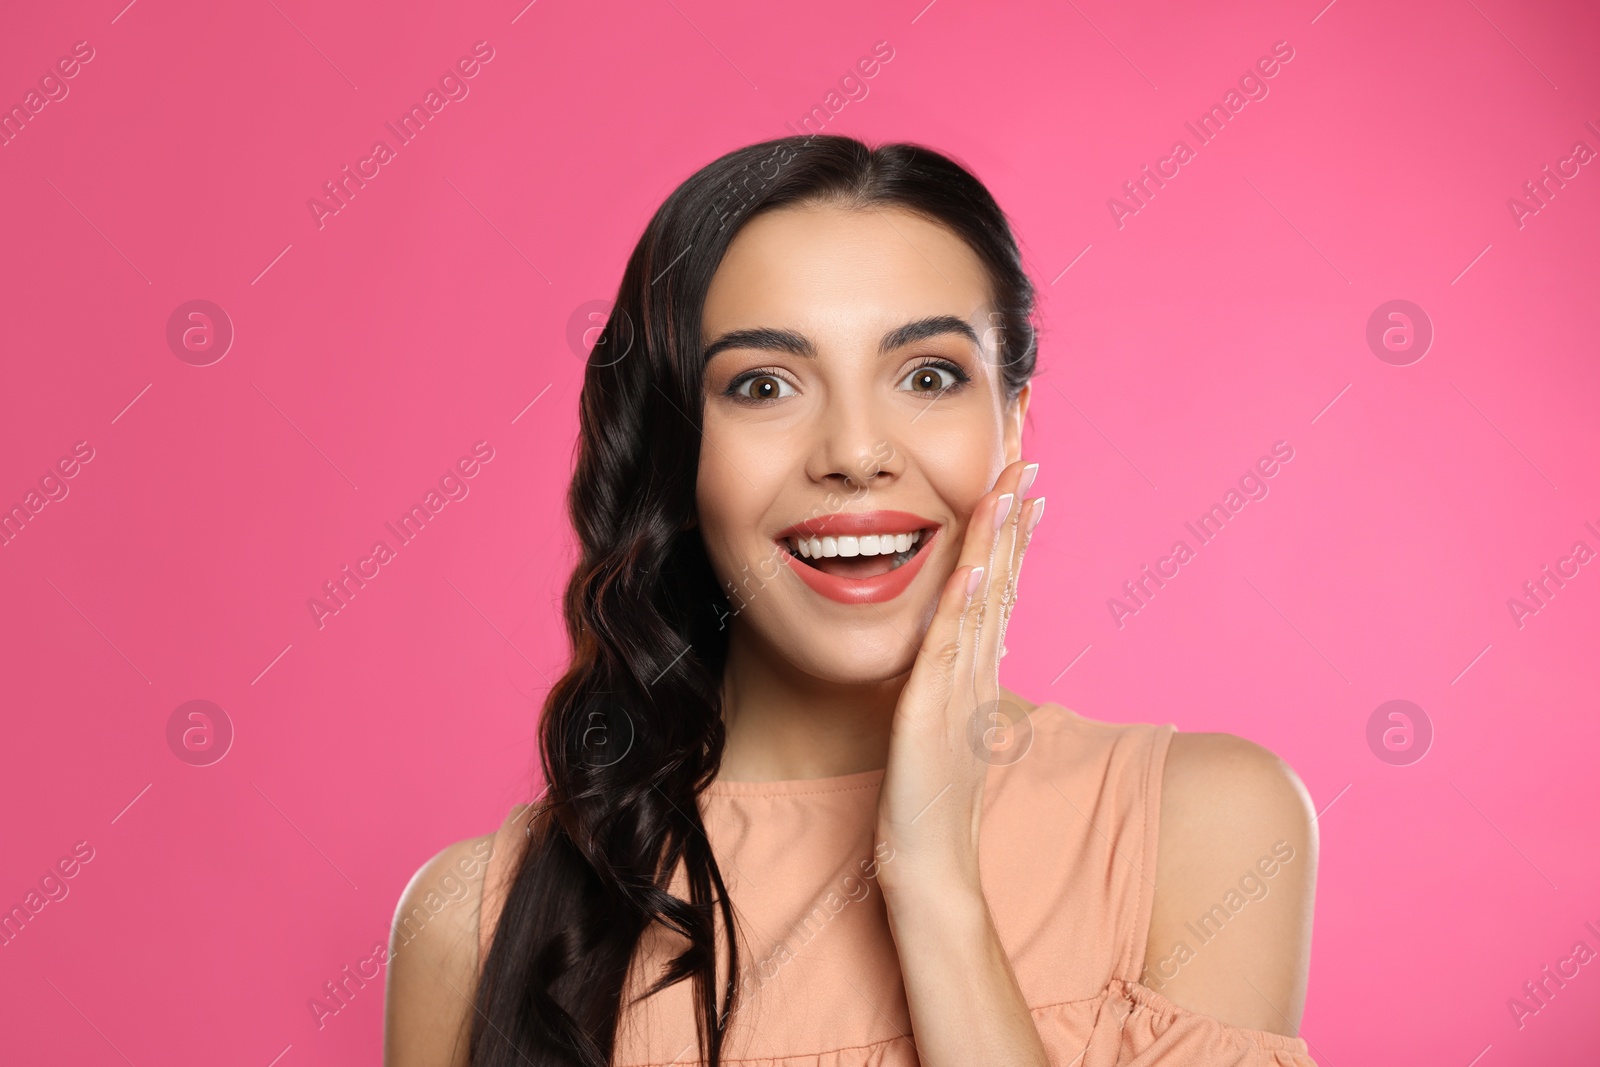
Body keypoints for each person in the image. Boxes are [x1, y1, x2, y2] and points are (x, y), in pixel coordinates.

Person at [383, 134, 1319, 1067]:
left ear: (1014, 421)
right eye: (763, 384)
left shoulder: (1203, 827)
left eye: (928, 375)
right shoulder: (470, 923)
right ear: (679, 449)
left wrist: (933, 882)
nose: (856, 450)